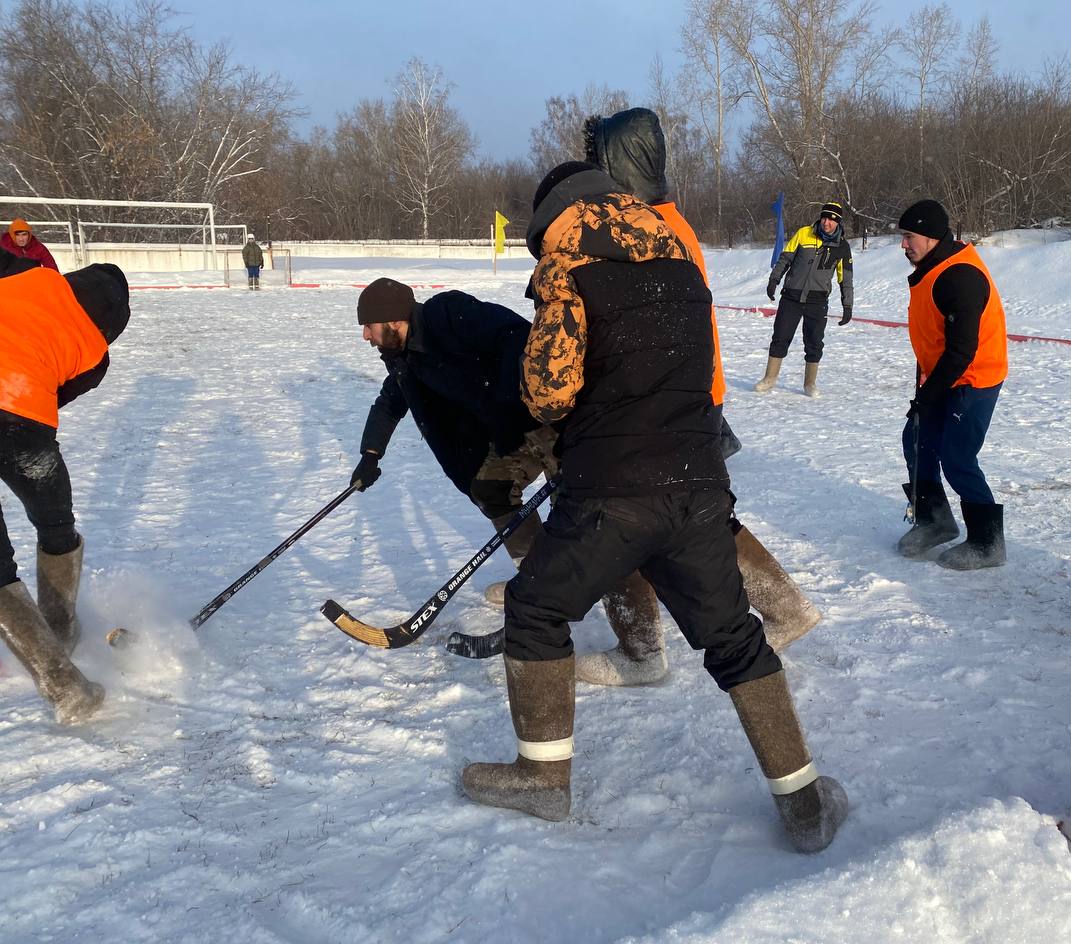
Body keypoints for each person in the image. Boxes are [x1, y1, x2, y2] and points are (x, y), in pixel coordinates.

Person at [461, 161, 847, 853]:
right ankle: (805, 801)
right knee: (734, 639)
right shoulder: (684, 269)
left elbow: (548, 391)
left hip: (611, 490)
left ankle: (542, 779)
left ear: (557, 220)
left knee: (536, 608)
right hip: (698, 486)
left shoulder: (567, 269)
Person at [578, 106, 821, 685]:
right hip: (685, 394)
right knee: (695, 517)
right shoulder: (661, 220)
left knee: (625, 514)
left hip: (669, 397)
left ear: (620, 165)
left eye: (600, 163)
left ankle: (640, 650)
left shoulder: (648, 228)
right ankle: (784, 607)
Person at [350, 278, 650, 643]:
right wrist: (370, 455)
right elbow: (388, 404)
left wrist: (512, 401)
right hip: (511, 435)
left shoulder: (450, 313)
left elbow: (515, 334)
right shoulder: (404, 359)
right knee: (490, 488)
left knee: (586, 523)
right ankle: (536, 578)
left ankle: (640, 643)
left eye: (369, 326)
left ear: (394, 320)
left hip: (550, 418)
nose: (365, 335)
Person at [0, 213, 130, 723]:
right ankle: (61, 626)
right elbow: (55, 393)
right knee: (55, 524)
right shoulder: (98, 356)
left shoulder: (24, 274)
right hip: (22, 426)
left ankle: (64, 686)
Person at [896, 199, 1007, 570]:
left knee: (957, 458)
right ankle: (935, 521)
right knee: (916, 440)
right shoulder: (933, 267)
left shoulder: (959, 277)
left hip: (974, 379)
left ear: (929, 236)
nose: (904, 245)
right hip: (946, 375)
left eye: (909, 237)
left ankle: (987, 542)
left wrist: (928, 396)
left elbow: (961, 351)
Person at [756, 202, 854, 396]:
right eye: (825, 218)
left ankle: (810, 384)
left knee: (814, 341)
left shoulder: (842, 246)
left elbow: (846, 278)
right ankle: (769, 378)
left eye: (832, 220)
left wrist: (847, 305)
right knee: (780, 337)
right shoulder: (804, 233)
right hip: (791, 296)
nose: (827, 223)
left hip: (817, 301)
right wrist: (774, 279)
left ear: (838, 223)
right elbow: (785, 258)